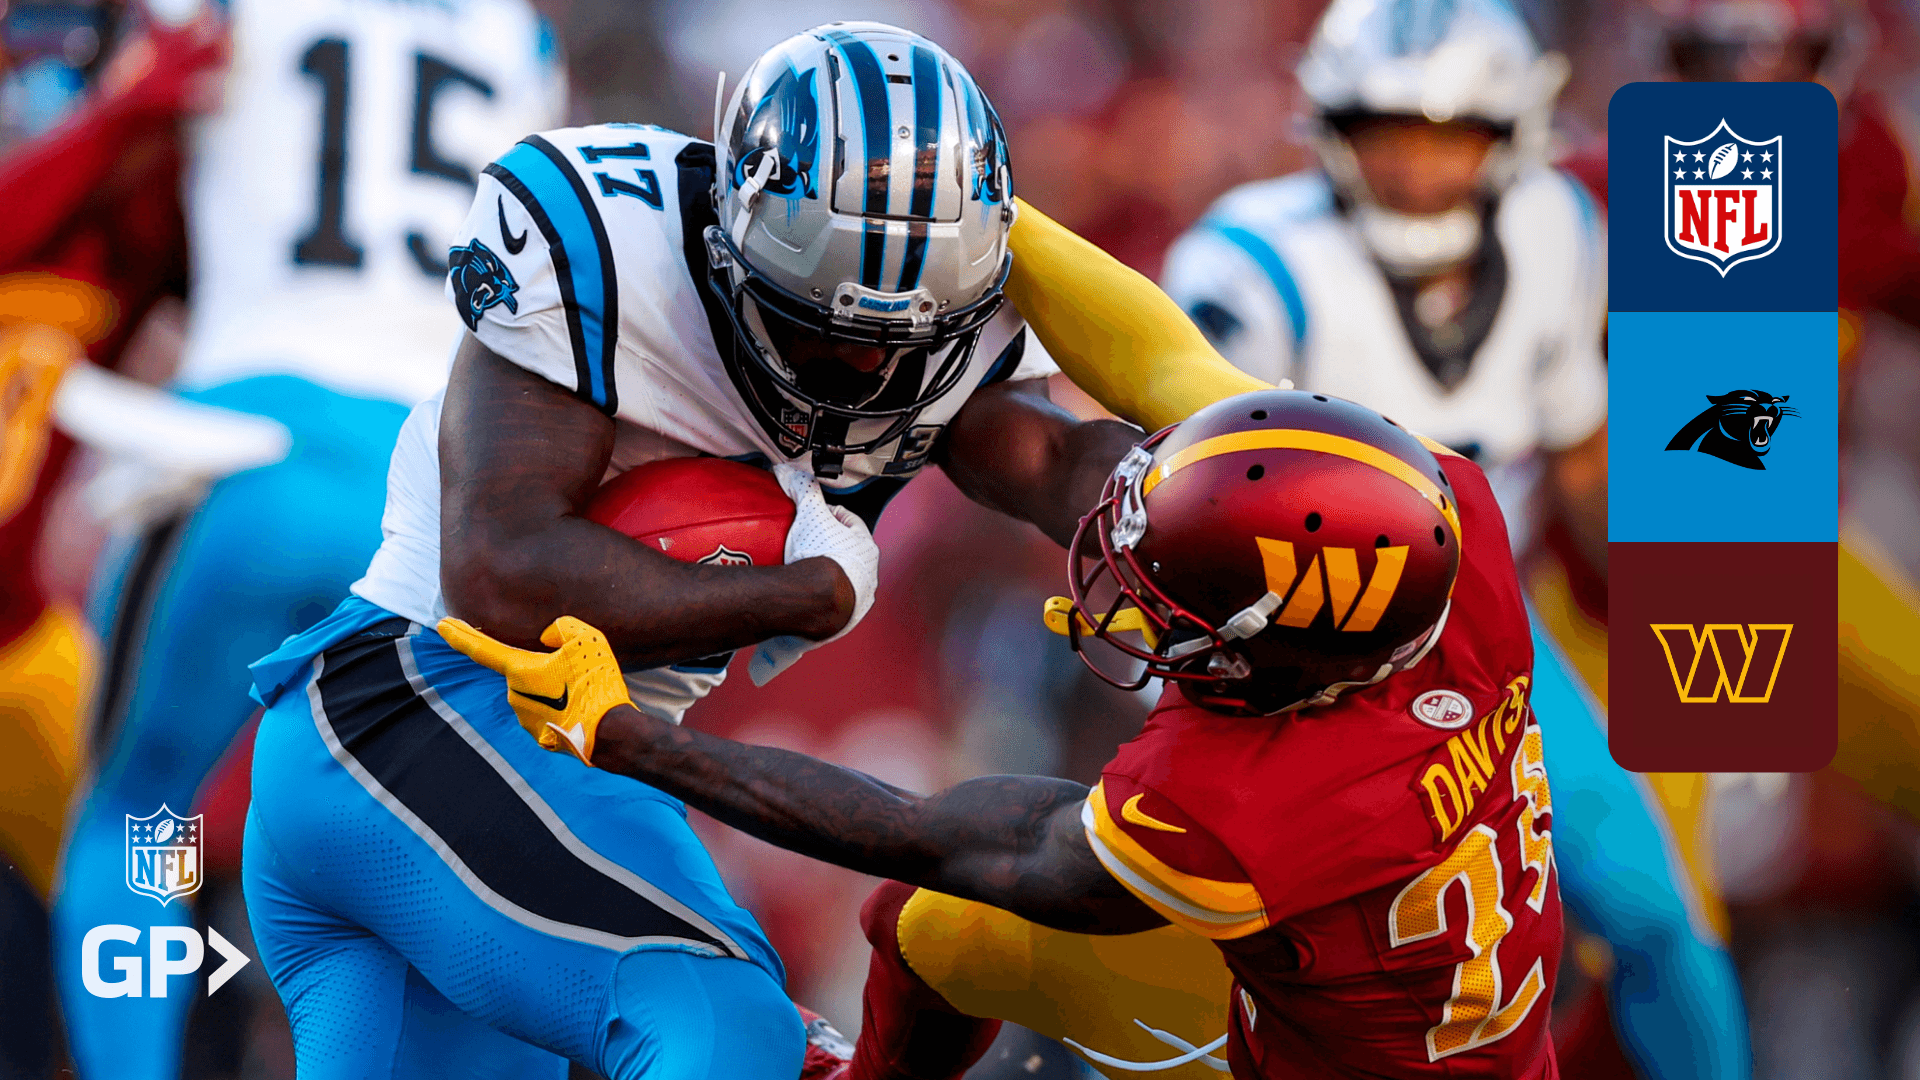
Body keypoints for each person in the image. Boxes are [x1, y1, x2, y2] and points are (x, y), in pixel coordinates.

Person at [240, 22, 1143, 1079]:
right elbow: (497, 575)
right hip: (421, 704)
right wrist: (803, 593)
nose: (861, 371)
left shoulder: (953, 320)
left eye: (897, 345)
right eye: (820, 330)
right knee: (730, 1032)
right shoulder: (609, 237)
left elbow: (1064, 463)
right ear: (731, 239)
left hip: (498, 768)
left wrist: (1195, 510)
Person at [440, 374, 1567, 1078]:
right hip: (1401, 1004)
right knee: (939, 927)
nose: (1133, 600)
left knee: (947, 901)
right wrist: (978, 221)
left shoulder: (1244, 808)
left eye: (1179, 597)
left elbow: (940, 837)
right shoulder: (1445, 540)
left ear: (1278, 649)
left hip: (1285, 1047)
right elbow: (1169, 359)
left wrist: (633, 739)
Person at [1157, 1, 1752, 1075]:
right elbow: (1184, 515)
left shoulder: (1559, 229)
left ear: (1512, 133)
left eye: (1451, 135)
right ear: (1331, 125)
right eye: (1387, 131)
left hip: (1482, 639)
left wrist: (1704, 632)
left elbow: (1579, 455)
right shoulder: (1253, 264)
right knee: (1274, 982)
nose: (1417, 165)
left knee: (1655, 920)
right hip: (1288, 663)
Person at [50, 2, 563, 1078]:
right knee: (462, 864)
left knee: (145, 815)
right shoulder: (515, 33)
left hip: (244, 454)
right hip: (431, 497)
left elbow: (117, 140)